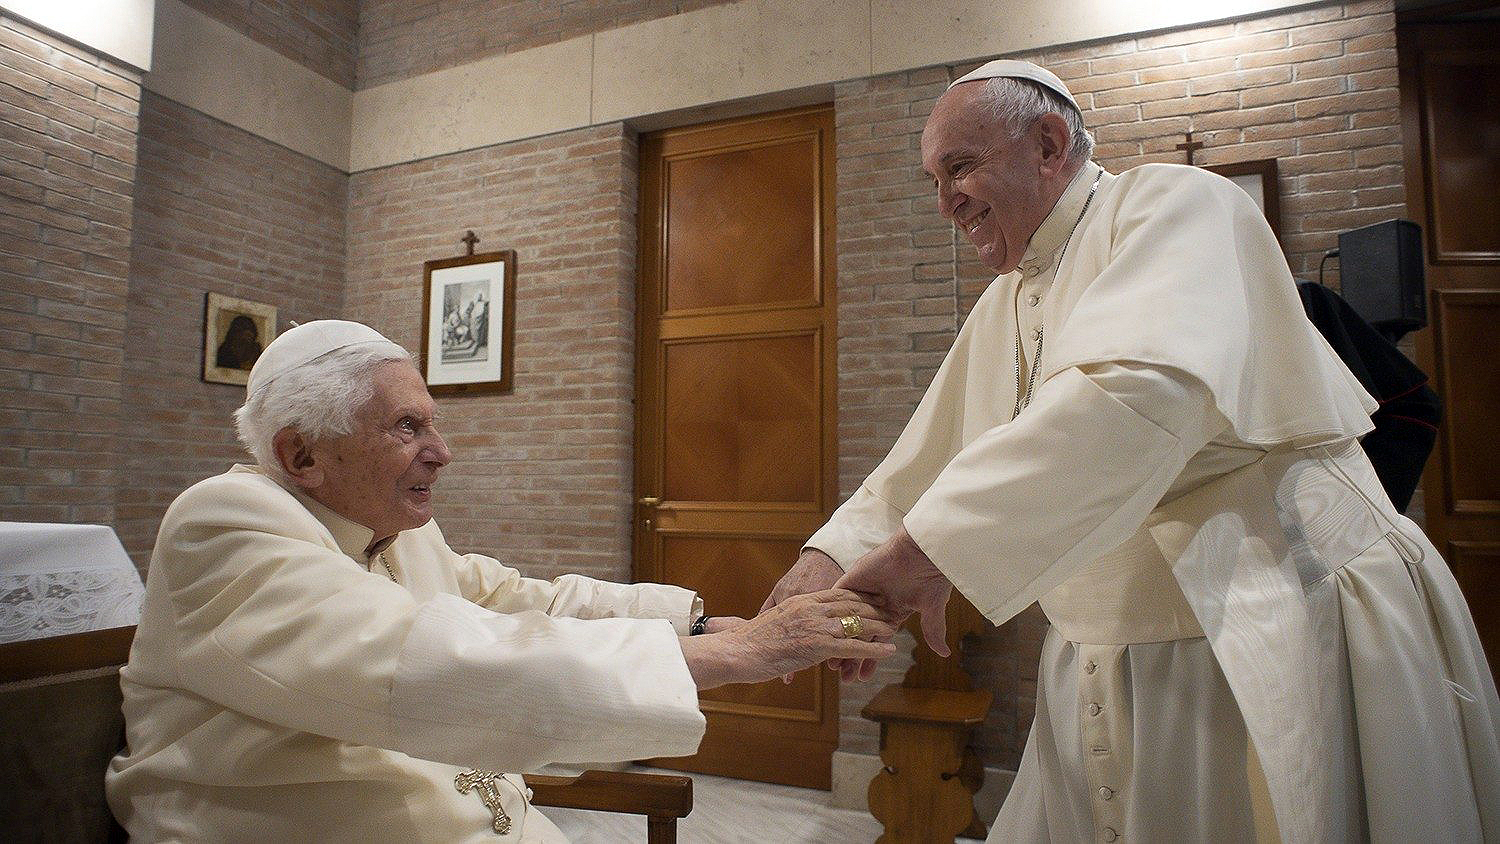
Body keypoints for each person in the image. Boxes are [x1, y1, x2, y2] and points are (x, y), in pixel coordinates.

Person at [762, 60, 1499, 841]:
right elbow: (929, 456)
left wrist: (929, 554)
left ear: (1048, 143)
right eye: (934, 179)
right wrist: (832, 558)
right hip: (1109, 651)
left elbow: (1133, 397)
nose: (947, 203)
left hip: (1266, 617)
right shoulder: (1008, 298)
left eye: (960, 167)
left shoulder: (1176, 205)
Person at [107, 320, 895, 842]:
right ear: (301, 456)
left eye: (434, 421)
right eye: (408, 427)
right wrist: (739, 658)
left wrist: (698, 623)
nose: (441, 451)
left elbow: (512, 598)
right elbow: (434, 659)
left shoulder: (393, 529)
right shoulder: (224, 522)